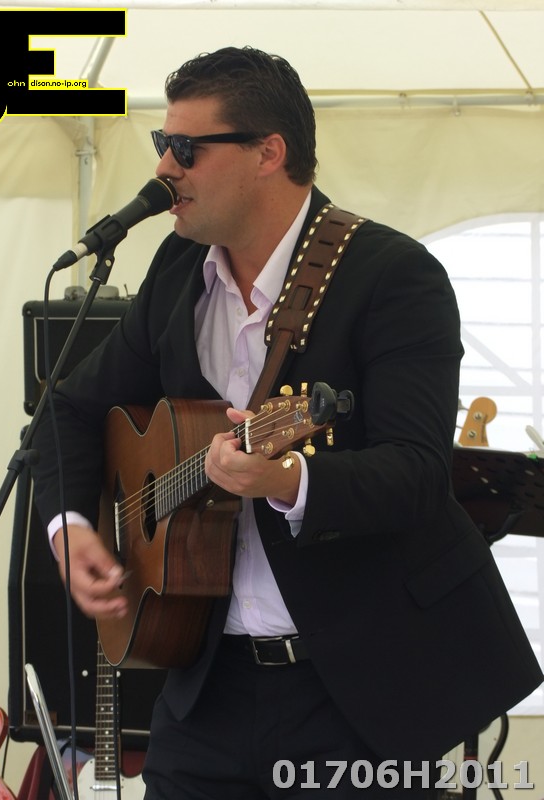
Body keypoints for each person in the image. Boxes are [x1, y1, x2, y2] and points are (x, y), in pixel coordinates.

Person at [31, 46, 543, 799]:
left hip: (355, 691)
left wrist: (287, 479)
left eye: (186, 148)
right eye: (162, 144)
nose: (164, 169)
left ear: (268, 153)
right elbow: (66, 408)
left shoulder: (392, 276)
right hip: (205, 686)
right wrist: (71, 530)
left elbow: (418, 471)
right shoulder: (178, 271)